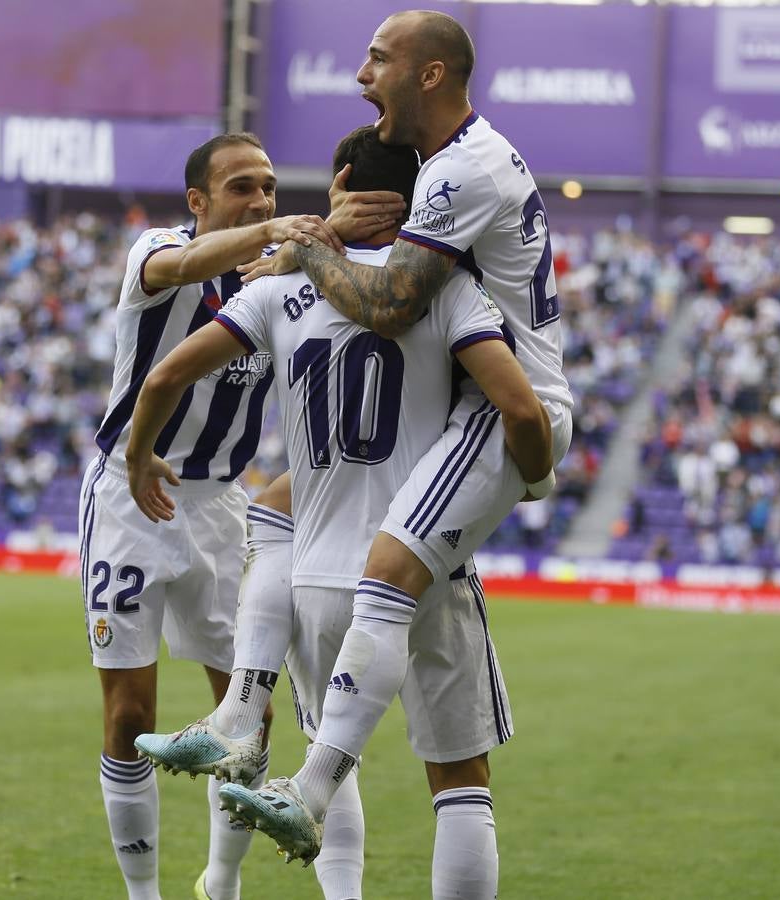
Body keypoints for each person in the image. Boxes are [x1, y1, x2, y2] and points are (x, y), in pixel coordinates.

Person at [127, 126, 552, 899]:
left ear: (342, 182)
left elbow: (160, 380)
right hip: (423, 567)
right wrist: (532, 477)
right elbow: (519, 407)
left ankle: (240, 709)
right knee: (460, 783)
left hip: (313, 583)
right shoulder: (445, 289)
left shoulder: (276, 287)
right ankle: (247, 728)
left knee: (329, 749)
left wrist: (137, 452)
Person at [219, 10, 575, 885]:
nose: (359, 75)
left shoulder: (461, 172)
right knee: (277, 508)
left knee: (383, 572)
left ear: (429, 75)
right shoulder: (448, 166)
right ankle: (245, 718)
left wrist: (303, 247)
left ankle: (306, 782)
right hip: (471, 414)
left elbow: (388, 307)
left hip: (500, 409)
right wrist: (330, 232)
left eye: (377, 59)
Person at [81, 131, 403, 900]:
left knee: (245, 718)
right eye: (241, 187)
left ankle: (218, 883)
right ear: (199, 203)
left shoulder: (279, 277)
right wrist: (275, 231)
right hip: (133, 496)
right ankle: (143, 895)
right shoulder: (160, 252)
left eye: (267, 187)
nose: (261, 198)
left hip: (222, 506)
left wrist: (326, 235)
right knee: (130, 714)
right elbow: (185, 264)